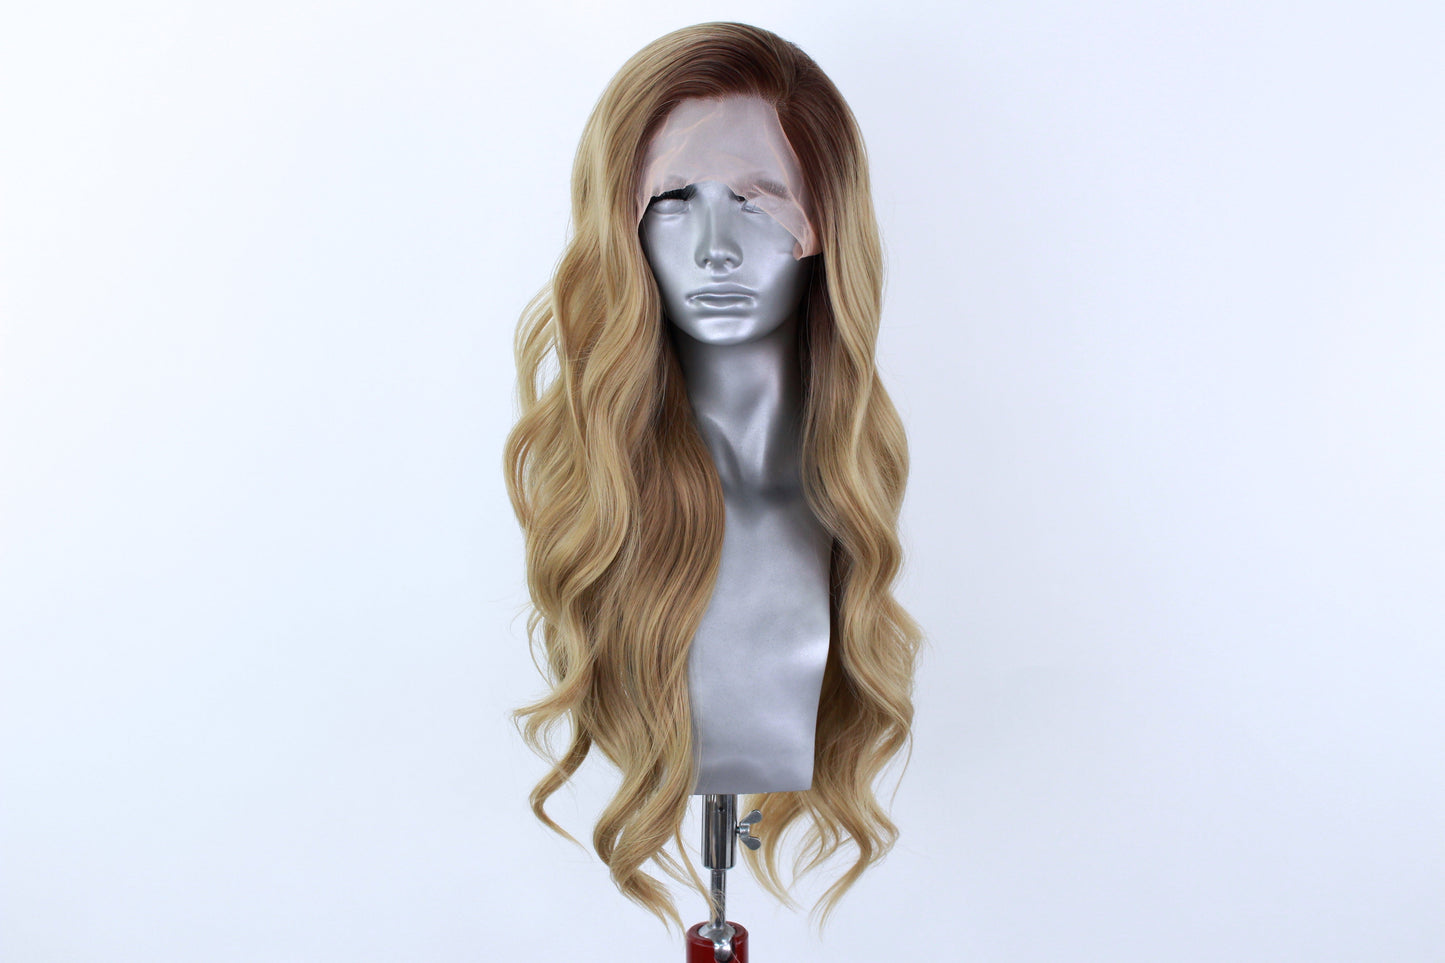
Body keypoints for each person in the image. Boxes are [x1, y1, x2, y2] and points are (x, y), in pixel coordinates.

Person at [504, 21, 921, 928]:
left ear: (822, 222)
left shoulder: (839, 511)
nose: (714, 246)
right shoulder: (610, 517)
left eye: (755, 197)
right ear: (621, 225)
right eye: (671, 200)